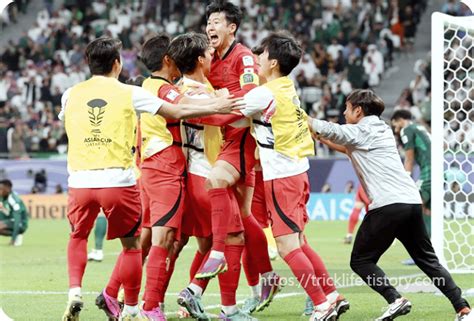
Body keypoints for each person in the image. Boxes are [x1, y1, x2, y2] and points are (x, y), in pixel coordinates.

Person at [60, 36, 241, 321]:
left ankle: (114, 294)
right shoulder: (159, 88)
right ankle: (150, 305)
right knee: (168, 238)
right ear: (168, 60)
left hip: (138, 169)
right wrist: (230, 105)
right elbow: (184, 109)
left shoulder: (84, 92)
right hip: (163, 167)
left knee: (153, 239)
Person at [307, 89, 472, 321]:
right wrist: (321, 138)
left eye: (346, 107)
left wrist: (305, 119)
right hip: (410, 201)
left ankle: (395, 299)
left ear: (358, 110)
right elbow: (347, 148)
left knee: (361, 261)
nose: (343, 112)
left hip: (388, 204)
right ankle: (463, 308)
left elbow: (334, 130)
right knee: (428, 260)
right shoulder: (380, 129)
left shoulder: (363, 129)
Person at [240, 31, 349, 321]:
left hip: (281, 177)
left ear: (273, 62)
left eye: (261, 56)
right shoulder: (288, 87)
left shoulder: (264, 93)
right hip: (298, 172)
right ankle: (331, 295)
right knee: (300, 241)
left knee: (287, 245)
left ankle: (321, 305)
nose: (256, 60)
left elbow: (230, 111)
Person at [198, 2, 279, 316]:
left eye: (216, 21)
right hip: (224, 140)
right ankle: (266, 277)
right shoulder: (212, 59)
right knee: (242, 216)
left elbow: (248, 105)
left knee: (218, 187)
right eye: (208, 21)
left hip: (242, 139)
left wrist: (213, 114)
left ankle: (218, 256)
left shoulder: (243, 57)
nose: (210, 27)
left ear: (232, 27)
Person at [391, 109, 432, 265]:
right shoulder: (420, 127)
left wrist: (404, 178)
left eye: (396, 126)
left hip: (428, 174)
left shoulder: (407, 129)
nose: (396, 130)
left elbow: (409, 158)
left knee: (412, 208)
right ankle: (428, 253)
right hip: (436, 172)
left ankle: (420, 254)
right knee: (426, 210)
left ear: (401, 120)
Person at [0, 179, 28, 246]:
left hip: (21, 223)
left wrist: (13, 239)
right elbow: (6, 213)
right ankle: (18, 235)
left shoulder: (14, 200)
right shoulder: (2, 197)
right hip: (10, 220)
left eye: (1, 189)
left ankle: (16, 236)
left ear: (8, 189)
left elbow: (17, 220)